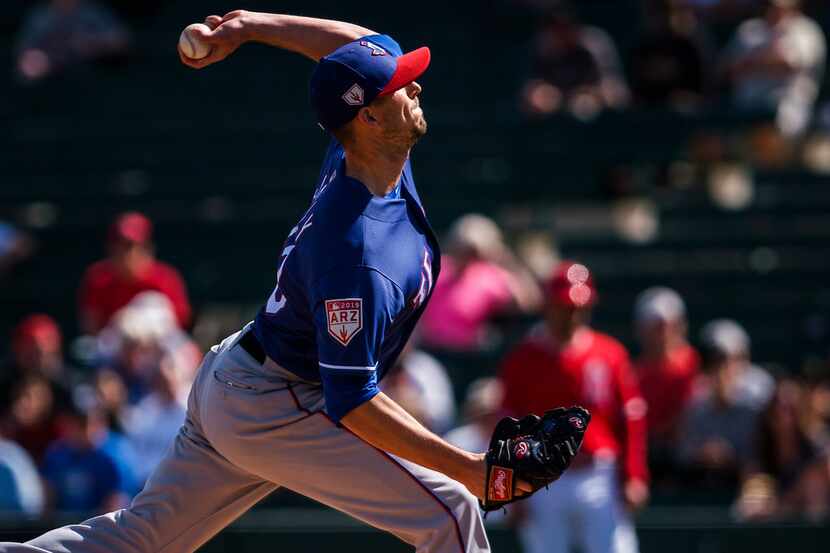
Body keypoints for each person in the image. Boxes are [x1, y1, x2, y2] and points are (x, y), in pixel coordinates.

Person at [0, 10, 550, 553]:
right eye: (403, 88)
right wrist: (473, 469)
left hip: (244, 379)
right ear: (370, 118)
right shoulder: (355, 250)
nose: (418, 88)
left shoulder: (366, 153)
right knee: (452, 512)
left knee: (138, 542)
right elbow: (353, 401)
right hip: (276, 403)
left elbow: (358, 45)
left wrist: (250, 27)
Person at [499, 261, 648, 553]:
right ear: (548, 306)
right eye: (565, 307)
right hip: (541, 478)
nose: (573, 315)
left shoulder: (610, 354)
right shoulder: (523, 360)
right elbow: (508, 425)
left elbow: (630, 419)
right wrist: (509, 489)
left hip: (597, 474)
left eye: (579, 307)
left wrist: (634, 475)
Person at [419, 213, 542, 351]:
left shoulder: (488, 275)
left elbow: (528, 302)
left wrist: (500, 256)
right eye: (460, 246)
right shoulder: (435, 268)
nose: (463, 253)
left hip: (470, 356)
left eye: (469, 250)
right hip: (431, 351)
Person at [720, 0, 826, 135]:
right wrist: (763, 61)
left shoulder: (805, 31)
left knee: (786, 118)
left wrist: (753, 62)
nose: (775, 10)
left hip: (788, 107)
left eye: (781, 7)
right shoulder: (749, 29)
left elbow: (789, 65)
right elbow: (726, 67)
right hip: (746, 105)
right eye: (771, 5)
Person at [78, 212, 192, 334]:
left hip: (158, 345)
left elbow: (181, 323)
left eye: (132, 247)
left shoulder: (165, 278)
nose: (127, 254)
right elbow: (90, 327)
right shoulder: (99, 277)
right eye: (120, 245)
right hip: (113, 346)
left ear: (148, 248)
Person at [632, 287, 701, 485]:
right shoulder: (634, 375)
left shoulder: (695, 364)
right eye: (656, 327)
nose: (663, 333)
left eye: (669, 325)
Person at [520, 7, 629, 120]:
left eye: (564, 28)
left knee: (588, 103)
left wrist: (591, 93)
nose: (561, 34)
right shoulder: (543, 47)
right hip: (561, 97)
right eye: (556, 30)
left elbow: (611, 83)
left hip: (593, 96)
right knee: (541, 99)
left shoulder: (594, 43)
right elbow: (531, 87)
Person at [15, 0, 131, 83]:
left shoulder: (92, 12)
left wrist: (95, 43)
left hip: (95, 75)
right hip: (53, 81)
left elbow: (121, 40)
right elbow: (26, 59)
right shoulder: (41, 18)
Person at [699, 319, 774, 410]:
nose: (724, 366)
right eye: (714, 360)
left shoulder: (761, 388)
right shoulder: (698, 392)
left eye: (736, 358)